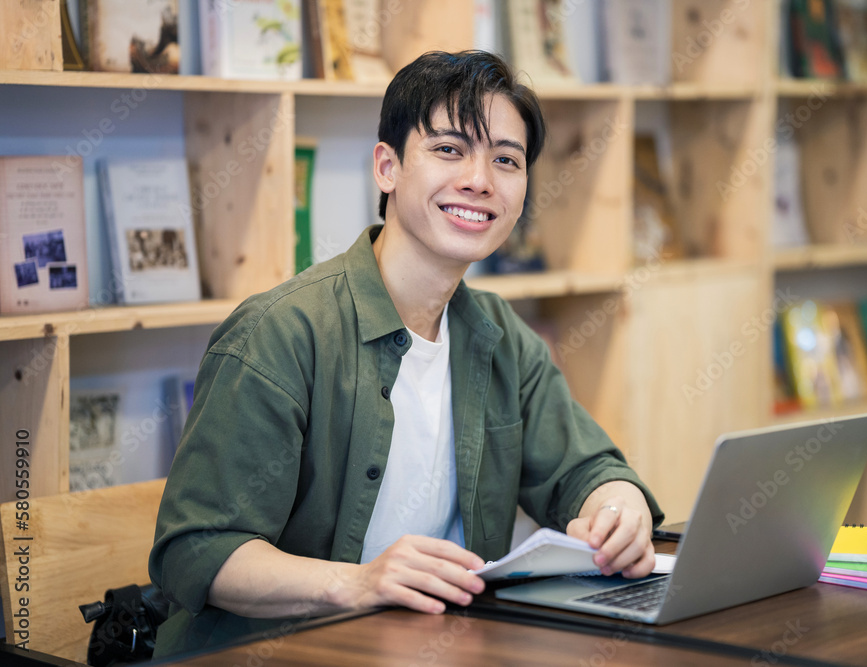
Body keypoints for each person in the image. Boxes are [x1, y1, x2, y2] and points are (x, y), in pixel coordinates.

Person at [149, 50, 663, 656]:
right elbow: (197, 548)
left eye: (506, 159)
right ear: (387, 167)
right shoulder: (280, 333)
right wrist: (358, 583)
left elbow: (585, 470)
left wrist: (619, 509)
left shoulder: (499, 335)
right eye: (449, 149)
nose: (480, 179)